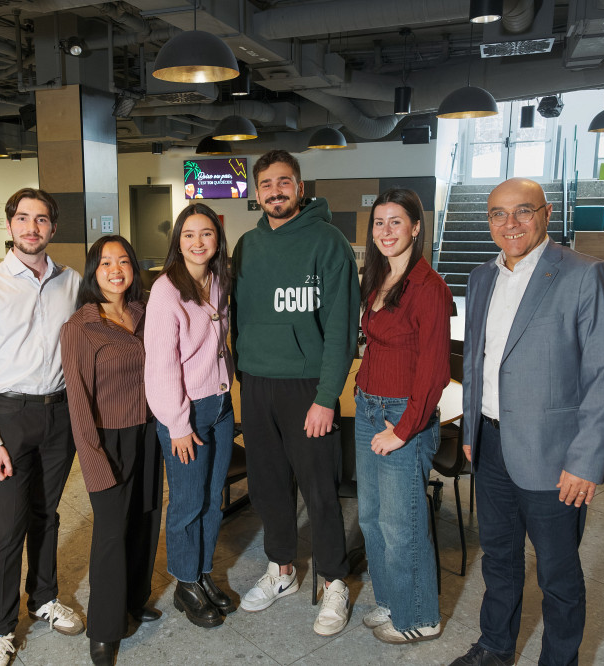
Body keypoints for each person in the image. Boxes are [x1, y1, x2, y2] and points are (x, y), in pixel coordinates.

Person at [449, 178, 604, 666]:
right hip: (490, 446)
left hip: (556, 458)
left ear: (545, 213)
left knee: (558, 574)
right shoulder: (481, 276)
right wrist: (470, 433)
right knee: (499, 560)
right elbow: (477, 363)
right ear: (487, 221)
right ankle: (495, 645)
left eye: (522, 211)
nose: (510, 225)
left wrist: (586, 462)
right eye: (497, 215)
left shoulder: (585, 274)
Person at [230, 149, 360, 636]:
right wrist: (245, 375)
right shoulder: (246, 246)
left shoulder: (329, 243)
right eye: (267, 184)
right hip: (259, 383)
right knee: (266, 487)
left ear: (300, 188)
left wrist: (327, 397)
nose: (276, 191)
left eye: (285, 182)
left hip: (308, 386)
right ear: (256, 192)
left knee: (320, 490)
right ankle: (281, 568)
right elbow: (238, 318)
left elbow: (342, 329)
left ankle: (333, 580)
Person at [0, 188, 85, 666]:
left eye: (42, 220)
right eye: (23, 219)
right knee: (8, 525)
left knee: (47, 514)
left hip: (60, 415)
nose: (32, 228)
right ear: (10, 226)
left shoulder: (71, 282)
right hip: (9, 416)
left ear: (53, 228)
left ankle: (45, 597)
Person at [354, 189, 451, 644]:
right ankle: (393, 601)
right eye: (379, 222)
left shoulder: (429, 288)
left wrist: (404, 430)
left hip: (401, 417)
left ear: (415, 227)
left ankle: (419, 617)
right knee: (372, 518)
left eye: (396, 222)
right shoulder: (378, 280)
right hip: (369, 406)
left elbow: (435, 372)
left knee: (401, 523)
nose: (386, 231)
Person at [61, 236, 163, 666]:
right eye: (106, 263)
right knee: (109, 534)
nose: (116, 269)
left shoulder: (144, 313)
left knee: (144, 519)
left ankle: (133, 603)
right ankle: (104, 629)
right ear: (93, 271)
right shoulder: (80, 328)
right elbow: (78, 404)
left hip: (148, 432)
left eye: (124, 261)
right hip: (108, 439)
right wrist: (94, 462)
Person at [144, 203, 236, 629]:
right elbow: (160, 365)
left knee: (213, 500)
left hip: (220, 406)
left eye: (206, 234)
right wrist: (178, 425)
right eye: (189, 235)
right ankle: (184, 583)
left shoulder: (218, 282)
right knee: (186, 503)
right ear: (177, 242)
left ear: (217, 240)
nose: (198, 242)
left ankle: (201, 573)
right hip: (187, 414)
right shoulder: (167, 290)